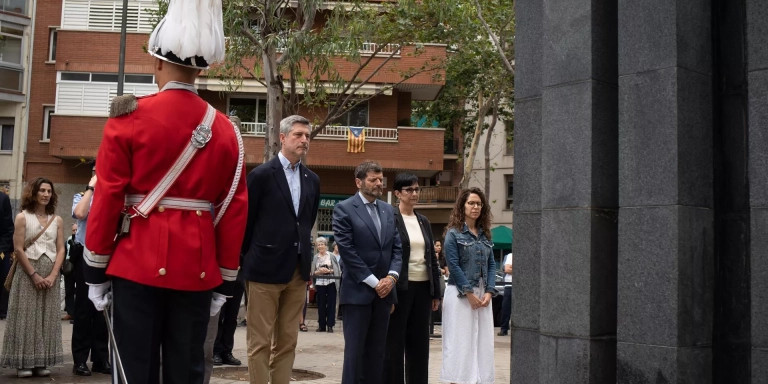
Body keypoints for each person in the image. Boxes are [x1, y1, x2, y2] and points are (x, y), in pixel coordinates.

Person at [82, 2, 248, 382]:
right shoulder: (226, 130)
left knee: (134, 368)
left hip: (135, 263)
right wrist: (225, 278)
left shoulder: (127, 118)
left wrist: (94, 271)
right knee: (187, 370)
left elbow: (108, 197)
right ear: (201, 69)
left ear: (157, 62)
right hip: (198, 268)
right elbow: (233, 209)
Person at [241, 114, 320, 384]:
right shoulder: (262, 175)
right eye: (298, 134)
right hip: (263, 268)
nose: (304, 140)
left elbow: (306, 222)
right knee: (260, 341)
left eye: (307, 136)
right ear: (282, 137)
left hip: (297, 271)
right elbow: (247, 222)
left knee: (288, 341)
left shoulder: (312, 180)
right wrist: (246, 259)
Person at [332, 160, 402, 384]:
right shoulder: (344, 209)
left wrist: (391, 279)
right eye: (373, 179)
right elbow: (348, 253)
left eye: (381, 179)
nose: (379, 184)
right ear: (358, 181)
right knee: (355, 355)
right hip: (358, 295)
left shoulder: (389, 210)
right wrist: (375, 283)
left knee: (377, 355)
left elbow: (397, 249)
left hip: (384, 296)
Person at [0, 177, 65, 378]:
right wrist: (34, 275)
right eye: (42, 190)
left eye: (49, 191)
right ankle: (22, 362)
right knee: (26, 317)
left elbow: (61, 248)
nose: (46, 194)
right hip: (28, 274)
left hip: (51, 275)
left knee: (46, 317)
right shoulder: (22, 217)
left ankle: (42, 361)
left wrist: (53, 274)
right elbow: (18, 249)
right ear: (33, 193)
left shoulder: (57, 220)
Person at [384, 173, 441, 384]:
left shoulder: (423, 221)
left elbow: (432, 259)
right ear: (397, 193)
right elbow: (387, 255)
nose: (414, 193)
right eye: (409, 190)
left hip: (423, 288)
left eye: (417, 189)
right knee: (394, 344)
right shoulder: (390, 218)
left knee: (419, 343)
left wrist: (436, 292)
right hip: (400, 288)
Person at [441, 187, 496, 384]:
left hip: (482, 294)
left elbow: (491, 264)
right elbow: (453, 265)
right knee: (459, 342)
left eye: (479, 204)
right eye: (471, 203)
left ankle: (479, 379)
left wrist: (489, 291)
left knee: (482, 341)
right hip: (459, 294)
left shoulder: (485, 235)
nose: (475, 207)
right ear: (462, 206)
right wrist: (469, 293)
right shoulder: (453, 234)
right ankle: (457, 380)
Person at [70, 167, 111, 376]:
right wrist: (91, 188)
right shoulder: (82, 195)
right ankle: (80, 359)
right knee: (84, 310)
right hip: (86, 257)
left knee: (103, 311)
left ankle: (101, 358)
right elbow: (79, 213)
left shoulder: (111, 197)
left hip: (107, 259)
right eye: (96, 170)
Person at [310, 236, 341, 332]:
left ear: (325, 245)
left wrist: (329, 270)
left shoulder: (331, 256)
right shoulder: (315, 257)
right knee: (321, 305)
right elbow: (313, 272)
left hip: (331, 282)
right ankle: (321, 325)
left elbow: (338, 270)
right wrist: (319, 272)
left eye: (322, 244)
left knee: (331, 304)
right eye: (318, 245)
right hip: (320, 283)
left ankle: (330, 325)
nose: (320, 246)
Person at [0, 189, 14, 320]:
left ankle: (2, 311)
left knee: (3, 279)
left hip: (0, 251)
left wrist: (3, 250)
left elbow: (8, 227)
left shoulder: (3, 198)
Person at [62, 224, 77, 321]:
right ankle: (70, 312)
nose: (75, 232)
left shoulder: (81, 240)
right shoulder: (68, 241)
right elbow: (63, 253)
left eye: (76, 230)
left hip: (78, 267)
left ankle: (77, 312)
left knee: (80, 291)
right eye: (73, 230)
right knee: (69, 290)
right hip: (69, 268)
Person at [497, 252, 514, 336]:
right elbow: (507, 269)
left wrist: (513, 268)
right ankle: (504, 328)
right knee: (506, 308)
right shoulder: (511, 255)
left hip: (520, 284)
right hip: (509, 284)